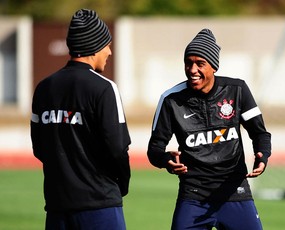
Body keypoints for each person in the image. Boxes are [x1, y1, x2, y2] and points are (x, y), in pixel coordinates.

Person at [147, 28, 271, 230]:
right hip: (193, 196)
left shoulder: (237, 90)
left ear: (213, 66)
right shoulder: (171, 100)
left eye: (200, 63)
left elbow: (260, 133)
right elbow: (154, 150)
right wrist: (166, 161)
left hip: (234, 192)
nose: (192, 69)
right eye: (188, 63)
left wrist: (262, 155)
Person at [30, 9, 131, 230]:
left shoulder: (44, 88)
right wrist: (122, 184)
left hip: (57, 208)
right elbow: (117, 148)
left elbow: (39, 148)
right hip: (99, 205)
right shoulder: (105, 88)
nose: (110, 52)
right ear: (95, 47)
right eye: (107, 45)